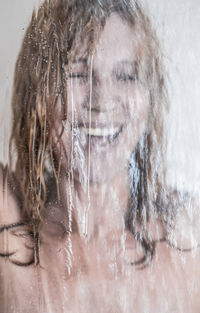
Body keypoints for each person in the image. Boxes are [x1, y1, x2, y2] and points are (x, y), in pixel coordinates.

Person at [0, 0, 200, 312]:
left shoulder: (190, 233)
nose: (102, 100)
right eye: (78, 73)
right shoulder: (9, 228)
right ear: (37, 93)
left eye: (126, 76)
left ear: (150, 99)